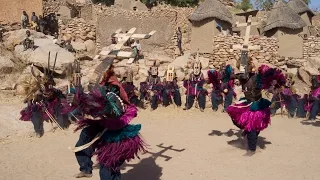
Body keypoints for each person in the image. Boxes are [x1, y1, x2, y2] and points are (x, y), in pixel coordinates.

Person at [66, 58, 146, 179]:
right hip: (102, 126)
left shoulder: (114, 92)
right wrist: (78, 99)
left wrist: (85, 103)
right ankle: (86, 168)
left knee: (108, 168)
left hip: (116, 134)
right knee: (83, 140)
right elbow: (90, 104)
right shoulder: (99, 89)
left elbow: (111, 111)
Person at [226, 58, 285, 155]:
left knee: (252, 128)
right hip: (247, 103)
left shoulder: (257, 78)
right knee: (235, 115)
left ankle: (252, 149)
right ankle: (247, 131)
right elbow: (230, 76)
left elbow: (270, 85)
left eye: (244, 68)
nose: (242, 72)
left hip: (257, 105)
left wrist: (276, 86)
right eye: (240, 69)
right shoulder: (241, 76)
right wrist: (226, 73)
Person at [19, 54, 70, 137]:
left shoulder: (52, 89)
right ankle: (38, 132)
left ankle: (62, 125)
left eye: (49, 83)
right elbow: (33, 98)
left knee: (59, 109)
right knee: (35, 112)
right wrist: (37, 101)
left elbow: (58, 94)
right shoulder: (38, 88)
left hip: (52, 103)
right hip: (41, 104)